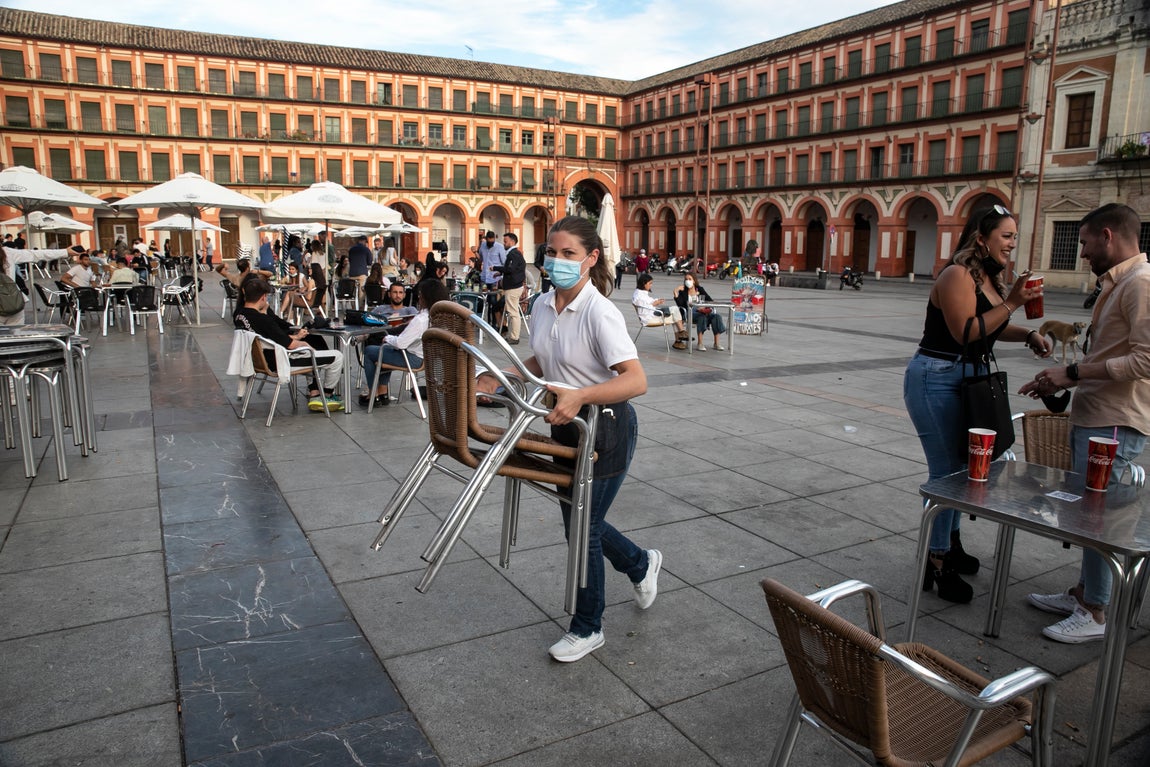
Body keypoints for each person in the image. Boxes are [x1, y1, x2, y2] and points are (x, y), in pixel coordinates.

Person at [476, 216, 661, 663]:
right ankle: (639, 563)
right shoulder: (541, 304)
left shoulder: (601, 312)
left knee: (582, 529)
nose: (556, 261)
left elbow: (635, 381)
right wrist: (505, 378)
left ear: (591, 258)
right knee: (581, 524)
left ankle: (587, 627)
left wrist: (582, 395)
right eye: (552, 252)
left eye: (569, 254)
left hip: (607, 427)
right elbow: (545, 355)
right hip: (565, 424)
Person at [903, 204, 1050, 604]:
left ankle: (950, 542)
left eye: (1014, 236)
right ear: (981, 238)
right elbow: (966, 330)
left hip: (963, 379)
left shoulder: (984, 278)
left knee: (965, 469)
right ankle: (936, 560)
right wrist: (1015, 302)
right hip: (935, 377)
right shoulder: (956, 274)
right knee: (946, 473)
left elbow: (993, 324)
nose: (1012, 243)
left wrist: (1028, 335)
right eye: (1006, 235)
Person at [1020, 204, 1150, 643]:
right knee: (1090, 515)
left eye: (1084, 242)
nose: (1082, 253)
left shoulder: (1141, 284)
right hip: (1097, 416)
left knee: (1101, 518)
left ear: (1108, 236)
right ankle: (1085, 592)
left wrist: (1071, 373)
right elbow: (1110, 354)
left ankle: (1095, 611)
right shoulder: (1119, 284)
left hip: (1115, 424)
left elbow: (1145, 361)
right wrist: (1059, 381)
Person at [234, 279, 343, 412]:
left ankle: (315, 390)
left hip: (259, 361)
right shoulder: (264, 320)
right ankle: (326, 395)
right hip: (281, 361)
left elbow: (269, 336)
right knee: (336, 356)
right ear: (263, 297)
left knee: (310, 346)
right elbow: (290, 345)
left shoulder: (238, 315)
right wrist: (305, 344)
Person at [360, 279, 449, 408]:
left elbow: (401, 343)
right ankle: (383, 391)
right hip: (429, 358)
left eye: (420, 294)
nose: (419, 297)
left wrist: (388, 338)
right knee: (388, 351)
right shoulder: (442, 317)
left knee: (371, 351)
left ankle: (373, 394)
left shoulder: (421, 319)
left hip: (413, 358)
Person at [632, 273, 687, 349]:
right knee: (676, 314)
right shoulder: (638, 295)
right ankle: (680, 335)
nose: (651, 285)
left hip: (652, 314)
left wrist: (657, 301)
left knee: (675, 313)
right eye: (650, 283)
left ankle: (679, 338)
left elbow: (648, 301)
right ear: (644, 283)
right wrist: (654, 304)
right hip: (648, 318)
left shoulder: (641, 293)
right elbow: (643, 309)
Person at [673, 274, 726, 351]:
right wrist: (675, 291)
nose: (687, 281)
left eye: (690, 279)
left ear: (694, 281)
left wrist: (704, 307)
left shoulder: (700, 289)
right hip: (690, 313)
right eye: (686, 279)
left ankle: (716, 343)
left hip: (703, 311)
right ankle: (700, 343)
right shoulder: (683, 291)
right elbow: (680, 304)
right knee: (702, 317)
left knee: (717, 317)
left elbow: (710, 300)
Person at [495, 232, 527, 344]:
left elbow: (510, 269)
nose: (504, 243)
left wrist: (495, 268)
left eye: (505, 241)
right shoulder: (515, 253)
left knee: (513, 313)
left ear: (512, 242)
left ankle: (514, 337)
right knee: (513, 312)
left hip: (513, 287)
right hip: (515, 286)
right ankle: (512, 335)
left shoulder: (513, 254)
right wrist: (500, 272)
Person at [0, 246, 27, 326]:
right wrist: (64, 251)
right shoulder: (7, 253)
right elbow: (34, 254)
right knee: (15, 336)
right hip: (14, 305)